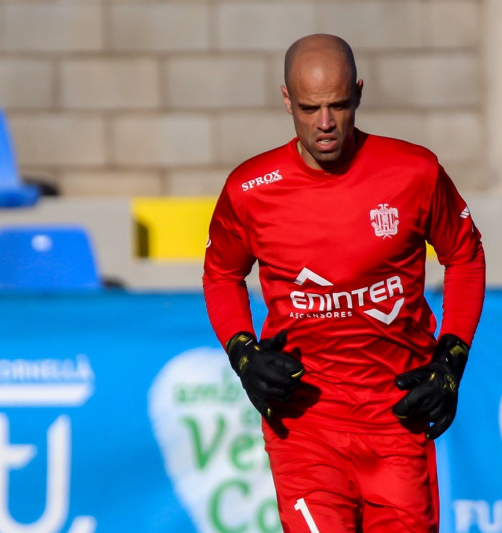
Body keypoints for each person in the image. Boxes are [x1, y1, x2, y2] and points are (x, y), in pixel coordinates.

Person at [202, 33, 486, 532]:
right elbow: (222, 272)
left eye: (338, 105)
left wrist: (451, 359)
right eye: (310, 108)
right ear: (287, 99)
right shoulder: (250, 189)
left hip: (397, 418)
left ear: (359, 92)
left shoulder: (413, 172)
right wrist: (242, 352)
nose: (325, 123)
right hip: (306, 422)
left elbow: (465, 256)